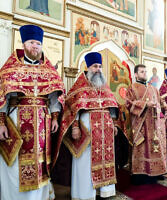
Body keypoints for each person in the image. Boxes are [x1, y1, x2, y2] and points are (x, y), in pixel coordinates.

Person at [0, 25, 65, 200]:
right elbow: (2, 98)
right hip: (16, 120)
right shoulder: (10, 68)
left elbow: (54, 98)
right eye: (31, 42)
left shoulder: (49, 70)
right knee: (15, 162)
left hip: (43, 124)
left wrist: (55, 118)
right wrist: (1, 123)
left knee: (40, 162)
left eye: (38, 43)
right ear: (24, 44)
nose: (35, 46)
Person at [58, 52, 121, 199]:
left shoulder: (103, 84)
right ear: (87, 67)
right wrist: (75, 127)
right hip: (87, 130)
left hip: (105, 130)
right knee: (85, 162)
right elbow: (72, 107)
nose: (98, 69)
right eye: (95, 66)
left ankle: (104, 191)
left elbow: (112, 106)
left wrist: (114, 124)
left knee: (106, 159)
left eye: (99, 66)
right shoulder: (80, 85)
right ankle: (85, 194)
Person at [126, 64, 167, 184]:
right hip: (141, 124)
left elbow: (160, 101)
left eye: (145, 71)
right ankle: (140, 174)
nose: (145, 73)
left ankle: (157, 171)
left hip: (155, 124)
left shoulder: (153, 88)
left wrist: (165, 109)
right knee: (142, 148)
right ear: (136, 74)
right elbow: (128, 104)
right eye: (142, 72)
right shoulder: (132, 88)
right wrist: (144, 104)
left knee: (156, 147)